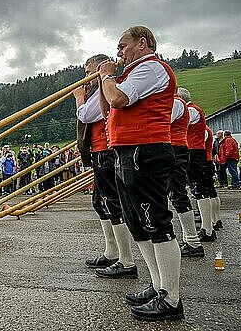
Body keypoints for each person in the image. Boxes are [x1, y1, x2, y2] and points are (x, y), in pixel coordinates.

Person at [98, 26, 183, 321]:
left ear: (142, 43)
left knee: (156, 223)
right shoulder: (131, 73)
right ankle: (158, 285)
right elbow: (107, 105)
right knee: (137, 224)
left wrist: (107, 77)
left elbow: (119, 100)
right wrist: (102, 81)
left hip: (146, 151)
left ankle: (171, 299)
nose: (119, 51)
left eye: (123, 45)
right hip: (127, 152)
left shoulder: (152, 68)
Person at [74, 54, 137, 279]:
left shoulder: (107, 85)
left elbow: (87, 115)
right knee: (101, 203)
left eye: (89, 71)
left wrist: (79, 98)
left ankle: (126, 260)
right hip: (100, 152)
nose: (86, 77)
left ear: (100, 68)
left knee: (112, 203)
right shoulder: (101, 87)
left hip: (106, 151)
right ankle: (112, 252)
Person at [177, 88, 217, 242]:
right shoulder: (193, 110)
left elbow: (182, 123)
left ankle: (207, 229)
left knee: (200, 188)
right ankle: (207, 227)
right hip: (193, 151)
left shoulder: (192, 110)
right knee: (198, 188)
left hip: (194, 152)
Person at [169, 90, 203, 256]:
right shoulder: (177, 103)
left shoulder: (175, 103)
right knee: (176, 193)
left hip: (175, 149)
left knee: (177, 193)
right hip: (176, 148)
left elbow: (162, 121)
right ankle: (191, 239)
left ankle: (193, 241)